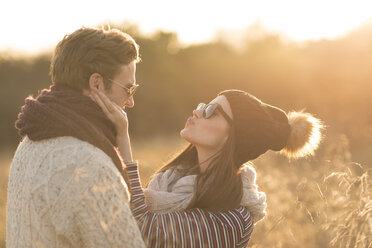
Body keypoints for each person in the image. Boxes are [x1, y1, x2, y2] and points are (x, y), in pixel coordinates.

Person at [90, 88, 323, 247]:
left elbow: (142, 229)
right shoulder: (170, 182)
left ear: (233, 137)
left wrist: (121, 136)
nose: (198, 111)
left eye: (212, 112)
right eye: (204, 105)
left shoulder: (234, 219)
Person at [6, 26, 145, 247]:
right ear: (97, 84)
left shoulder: (27, 146)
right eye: (128, 89)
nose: (130, 102)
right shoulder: (91, 166)